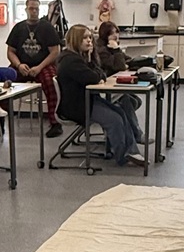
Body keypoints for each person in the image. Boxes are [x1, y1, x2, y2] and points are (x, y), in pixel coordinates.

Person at [56, 25, 145, 167]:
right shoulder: (70, 60)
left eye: (90, 37)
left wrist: (91, 60)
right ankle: (123, 155)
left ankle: (131, 151)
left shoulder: (81, 58)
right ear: (75, 40)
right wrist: (96, 73)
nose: (89, 41)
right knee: (114, 119)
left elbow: (101, 73)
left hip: (88, 100)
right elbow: (93, 77)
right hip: (78, 106)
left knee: (121, 112)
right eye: (84, 38)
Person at [6, 0, 62, 138]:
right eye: (31, 8)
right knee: (4, 82)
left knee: (52, 83)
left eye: (36, 8)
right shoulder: (18, 28)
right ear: (26, 8)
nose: (34, 11)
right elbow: (10, 51)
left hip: (42, 65)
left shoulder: (47, 27)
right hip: (22, 65)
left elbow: (55, 51)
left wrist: (40, 67)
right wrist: (18, 65)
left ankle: (55, 122)